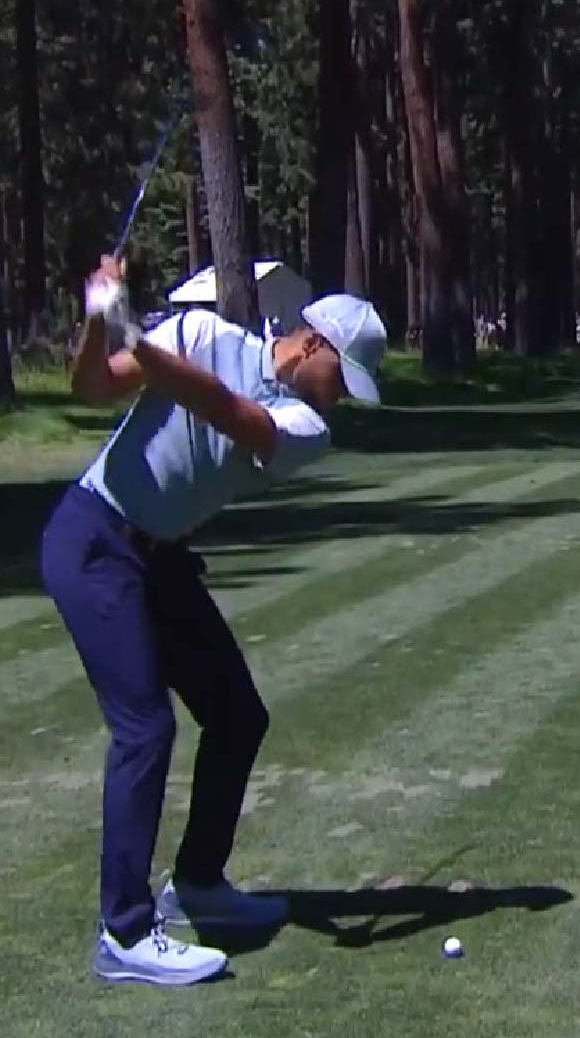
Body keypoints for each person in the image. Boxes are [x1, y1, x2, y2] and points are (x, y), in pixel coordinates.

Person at [39, 254, 388, 985]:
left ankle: (197, 882)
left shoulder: (306, 426)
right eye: (342, 379)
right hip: (94, 540)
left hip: (158, 558)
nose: (341, 399)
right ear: (313, 345)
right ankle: (124, 932)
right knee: (145, 728)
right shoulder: (199, 335)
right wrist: (100, 317)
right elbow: (92, 385)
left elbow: (230, 413)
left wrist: (130, 329)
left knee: (237, 716)